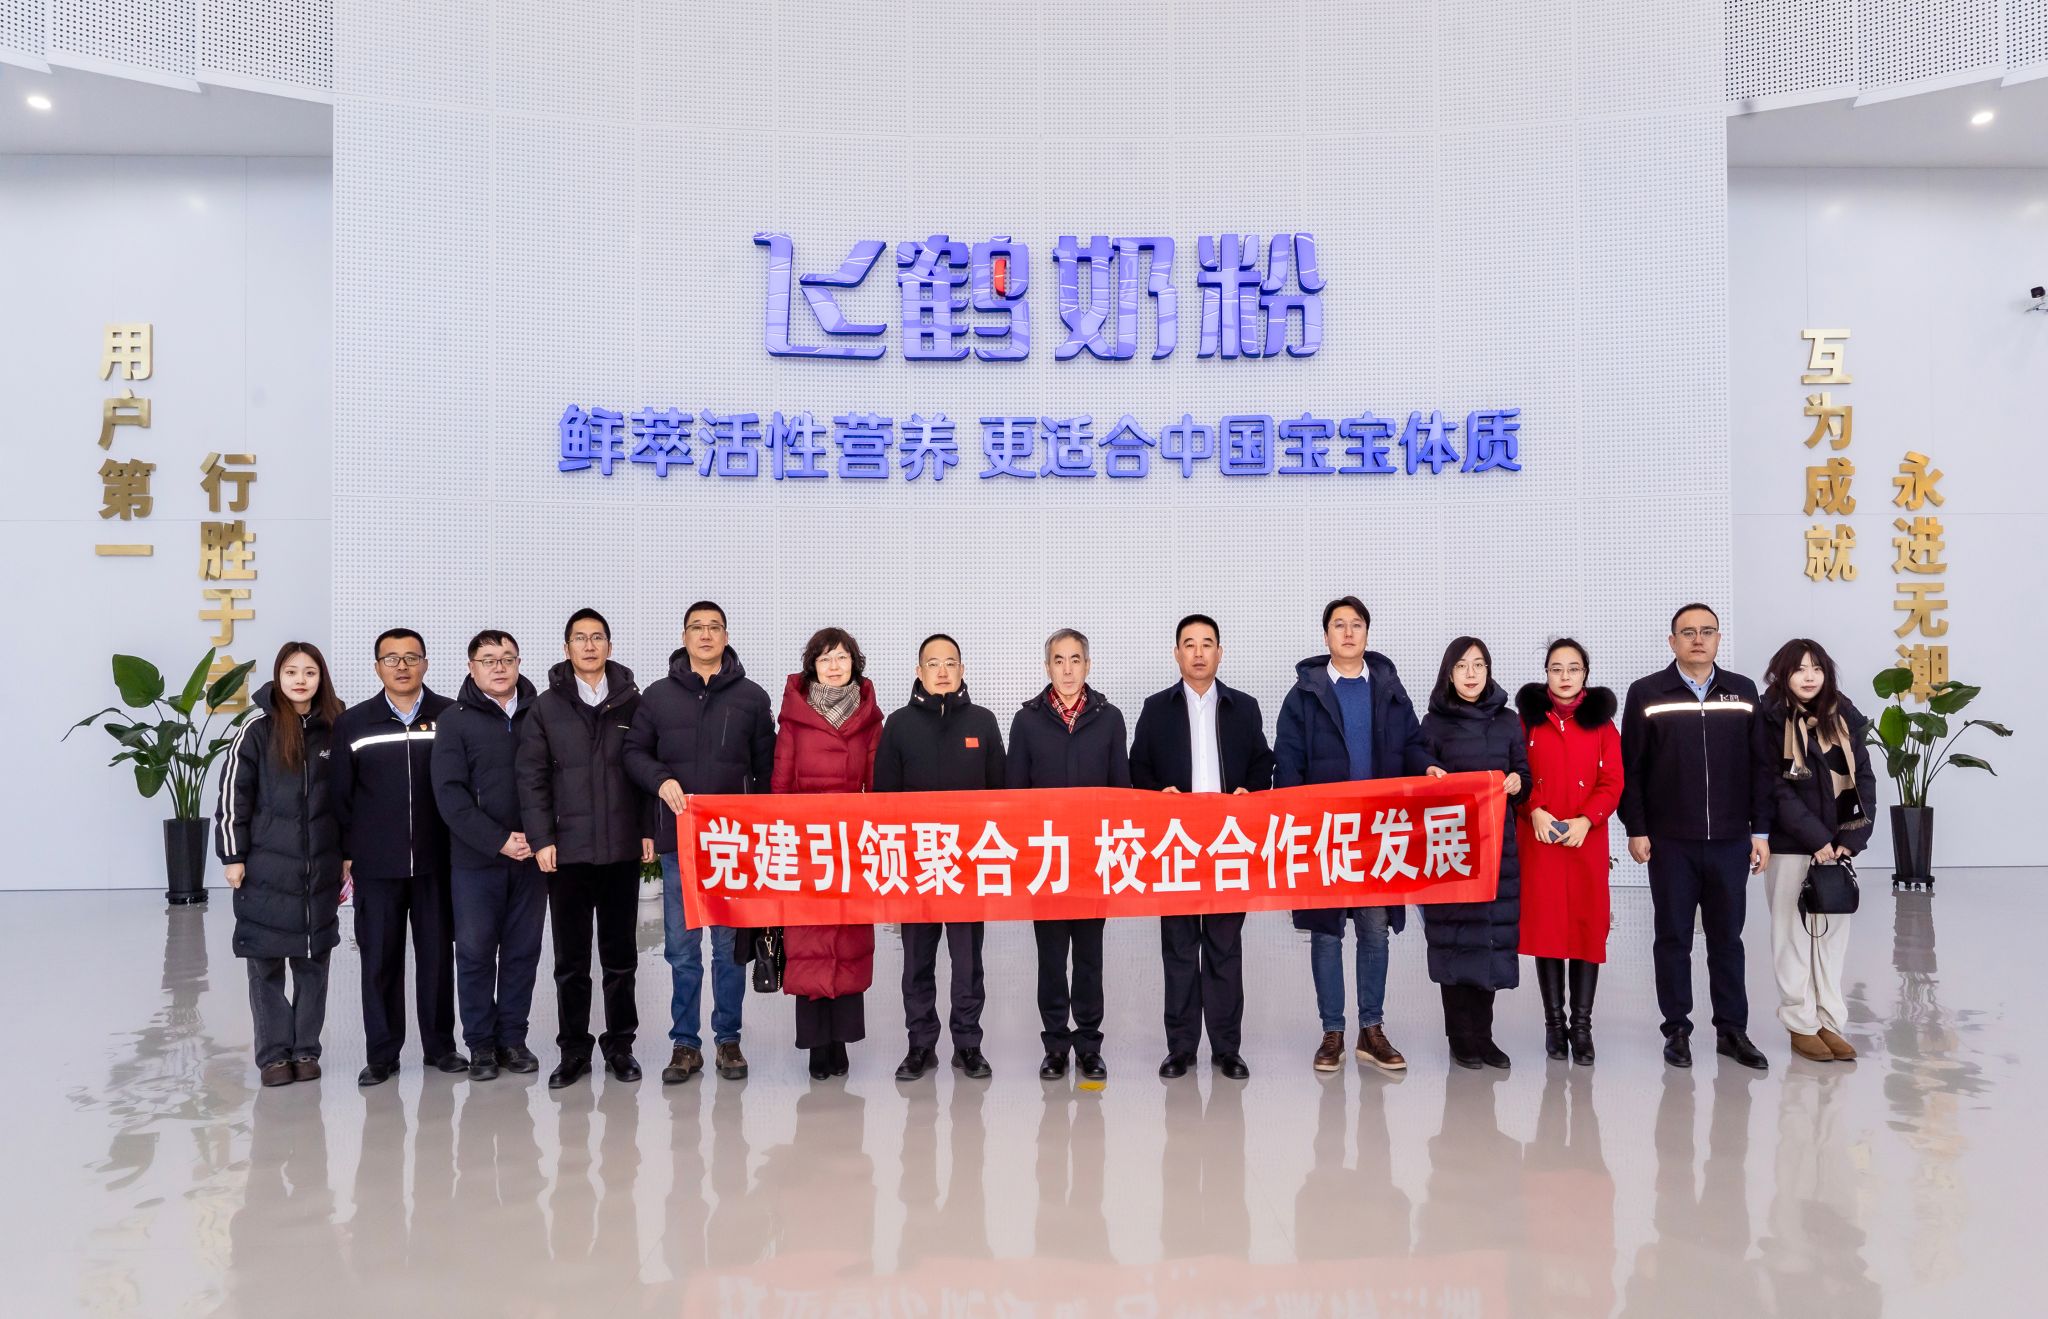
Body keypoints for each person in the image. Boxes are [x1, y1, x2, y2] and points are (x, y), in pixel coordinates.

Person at [1274, 596, 1437, 1074]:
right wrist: (1296, 822)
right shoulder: (1304, 694)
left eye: (1356, 624)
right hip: (1325, 833)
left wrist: (1426, 766)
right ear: (1326, 635)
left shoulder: (1389, 689)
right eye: (1339, 625)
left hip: (1377, 831)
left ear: (1367, 632)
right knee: (1326, 933)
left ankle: (1371, 1029)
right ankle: (1332, 1032)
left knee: (1374, 929)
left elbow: (1411, 745)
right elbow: (1288, 761)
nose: (1348, 633)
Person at [624, 600, 774, 1084]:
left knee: (728, 948)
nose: (706, 634)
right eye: (697, 627)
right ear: (684, 636)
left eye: (714, 627)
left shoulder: (751, 697)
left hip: (733, 844)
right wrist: (660, 780)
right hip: (679, 841)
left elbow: (766, 771)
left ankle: (728, 1040)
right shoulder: (658, 696)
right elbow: (634, 752)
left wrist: (762, 832)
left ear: (726, 637)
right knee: (683, 949)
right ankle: (685, 1045)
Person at [1619, 603, 1773, 1071]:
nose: (1698, 639)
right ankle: (1677, 1031)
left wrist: (1760, 831)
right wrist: (1637, 828)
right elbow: (1632, 769)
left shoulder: (1742, 692)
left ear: (1719, 638)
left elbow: (1761, 766)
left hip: (1730, 839)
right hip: (1671, 842)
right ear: (1672, 641)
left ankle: (1732, 1031)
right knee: (1673, 938)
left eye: (1707, 631)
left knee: (1728, 939)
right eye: (1688, 632)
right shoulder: (1647, 692)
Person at [1128, 613, 1273, 1081]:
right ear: (1176, 654)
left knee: (1225, 948)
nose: (1197, 652)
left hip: (1229, 844)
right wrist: (1159, 794)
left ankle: (1227, 1049)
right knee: (1179, 948)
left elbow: (1262, 763)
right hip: (1178, 844)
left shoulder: (1243, 707)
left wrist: (1251, 792)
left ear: (1219, 653)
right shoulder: (1156, 708)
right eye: (1188, 644)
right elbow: (1138, 767)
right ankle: (1181, 1048)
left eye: (1206, 643)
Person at [517, 608, 655, 1089]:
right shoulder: (545, 707)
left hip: (621, 849)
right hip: (567, 853)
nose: (590, 646)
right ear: (566, 648)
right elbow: (532, 778)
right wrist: (542, 838)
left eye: (598, 638)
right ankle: (574, 1050)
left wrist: (646, 829)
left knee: (621, 958)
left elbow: (645, 769)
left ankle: (620, 1046)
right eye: (580, 638)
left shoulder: (633, 702)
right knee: (571, 961)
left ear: (610, 647)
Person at [330, 627, 462, 1085]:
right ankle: (382, 1055)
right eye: (391, 658)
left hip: (437, 862)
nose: (401, 666)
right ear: (377, 667)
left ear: (426, 663)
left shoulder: (451, 716)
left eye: (411, 657)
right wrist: (347, 853)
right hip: (376, 865)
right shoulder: (354, 723)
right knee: (379, 962)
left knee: (437, 959)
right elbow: (340, 795)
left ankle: (440, 1047)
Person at [874, 633, 1006, 1082]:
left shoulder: (983, 723)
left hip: (968, 867)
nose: (943, 671)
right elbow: (884, 801)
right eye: (933, 663)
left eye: (951, 663)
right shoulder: (899, 725)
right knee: (917, 962)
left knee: (968, 963)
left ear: (962, 670)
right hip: (917, 866)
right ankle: (921, 1045)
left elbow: (1002, 797)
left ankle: (968, 1045)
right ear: (919, 672)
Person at [215, 643, 346, 1087]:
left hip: (320, 869)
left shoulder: (336, 726)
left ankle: (305, 1049)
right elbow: (233, 793)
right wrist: (233, 856)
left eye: (309, 672)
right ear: (278, 676)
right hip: (265, 868)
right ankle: (273, 1055)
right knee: (265, 964)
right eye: (291, 672)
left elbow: (350, 797)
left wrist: (348, 853)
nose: (300, 680)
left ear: (320, 678)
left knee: (313, 963)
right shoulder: (257, 728)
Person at [1009, 628, 1131, 1083]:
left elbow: (1121, 791)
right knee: (1051, 958)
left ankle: (1090, 1046)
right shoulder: (1027, 721)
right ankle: (1056, 1046)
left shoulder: (1109, 719)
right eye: (1058, 661)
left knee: (1089, 958)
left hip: (1093, 860)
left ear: (1088, 665)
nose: (1067, 669)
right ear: (1047, 667)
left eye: (1075, 660)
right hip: (1046, 861)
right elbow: (1014, 796)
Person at [1754, 638, 1876, 1063]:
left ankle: (1829, 1021)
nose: (1809, 677)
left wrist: (1849, 840)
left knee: (1831, 940)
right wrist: (1816, 839)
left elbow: (1864, 777)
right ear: (1782, 674)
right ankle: (1800, 1024)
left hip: (1838, 848)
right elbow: (1774, 787)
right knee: (1791, 937)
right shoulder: (1770, 718)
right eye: (1799, 669)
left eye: (1817, 668)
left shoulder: (1843, 715)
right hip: (1792, 846)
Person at [771, 628, 884, 1080]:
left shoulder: (870, 718)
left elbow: (877, 789)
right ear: (811, 667)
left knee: (848, 941)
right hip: (805, 848)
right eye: (824, 659)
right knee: (809, 944)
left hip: (852, 847)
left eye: (841, 657)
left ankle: (842, 1040)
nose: (834, 666)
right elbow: (780, 786)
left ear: (854, 663)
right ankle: (818, 1045)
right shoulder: (793, 720)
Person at [430, 630, 542, 1082]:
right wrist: (498, 840)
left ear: (519, 664)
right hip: (476, 860)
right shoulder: (454, 720)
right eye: (489, 659)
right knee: (476, 954)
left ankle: (512, 1040)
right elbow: (449, 794)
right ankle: (479, 1044)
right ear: (471, 667)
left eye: (507, 658)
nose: (499, 667)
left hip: (532, 858)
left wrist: (538, 837)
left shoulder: (540, 714)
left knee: (522, 953)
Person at [1417, 637, 1529, 1069]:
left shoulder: (1508, 721)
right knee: (1453, 940)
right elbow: (1416, 775)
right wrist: (1427, 772)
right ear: (1449, 673)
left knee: (1490, 939)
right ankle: (1459, 1037)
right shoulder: (1433, 723)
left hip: (1498, 849)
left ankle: (1484, 1036)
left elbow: (1525, 775)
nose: (1471, 673)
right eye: (1462, 665)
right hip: (1449, 850)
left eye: (1479, 665)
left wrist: (1518, 782)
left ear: (1488, 671)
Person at [1516, 638, 1624, 1066]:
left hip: (1585, 840)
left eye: (1573, 668)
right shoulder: (1526, 723)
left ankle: (1581, 1026)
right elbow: (1515, 773)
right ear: (1546, 673)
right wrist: (1533, 809)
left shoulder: (1603, 726)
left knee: (1585, 928)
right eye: (1556, 668)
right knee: (1547, 928)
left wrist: (1587, 820)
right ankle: (1553, 1024)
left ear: (1585, 674)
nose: (1565, 677)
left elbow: (1613, 781)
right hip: (1540, 838)